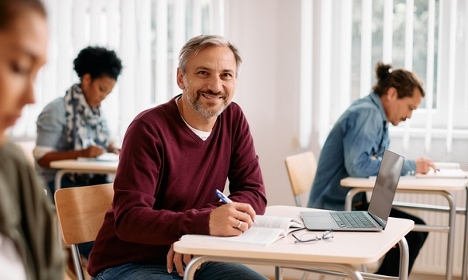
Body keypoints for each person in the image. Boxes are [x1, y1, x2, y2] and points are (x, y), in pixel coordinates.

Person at [87, 35, 268, 280]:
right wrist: (203, 224)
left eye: (226, 75)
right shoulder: (147, 128)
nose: (215, 86)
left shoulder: (232, 118)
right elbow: (130, 219)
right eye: (203, 73)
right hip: (129, 262)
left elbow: (254, 192)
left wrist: (194, 236)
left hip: (197, 256)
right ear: (181, 78)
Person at [308, 62, 436, 276]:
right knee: (413, 232)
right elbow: (358, 167)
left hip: (351, 203)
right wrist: (411, 166)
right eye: (410, 107)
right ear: (392, 94)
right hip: (333, 209)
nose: (410, 115)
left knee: (415, 229)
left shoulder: (377, 117)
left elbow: (374, 164)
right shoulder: (366, 114)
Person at [0, 0, 64, 279]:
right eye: (18, 67)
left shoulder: (12, 166)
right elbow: (44, 156)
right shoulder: (58, 111)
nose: (31, 97)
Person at [34, 46, 123, 195]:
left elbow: (109, 141)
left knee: (120, 194)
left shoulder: (97, 113)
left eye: (108, 93)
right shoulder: (56, 110)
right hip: (58, 181)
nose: (103, 97)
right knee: (107, 201)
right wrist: (81, 153)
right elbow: (42, 158)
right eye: (101, 89)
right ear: (87, 79)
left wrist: (113, 148)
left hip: (90, 178)